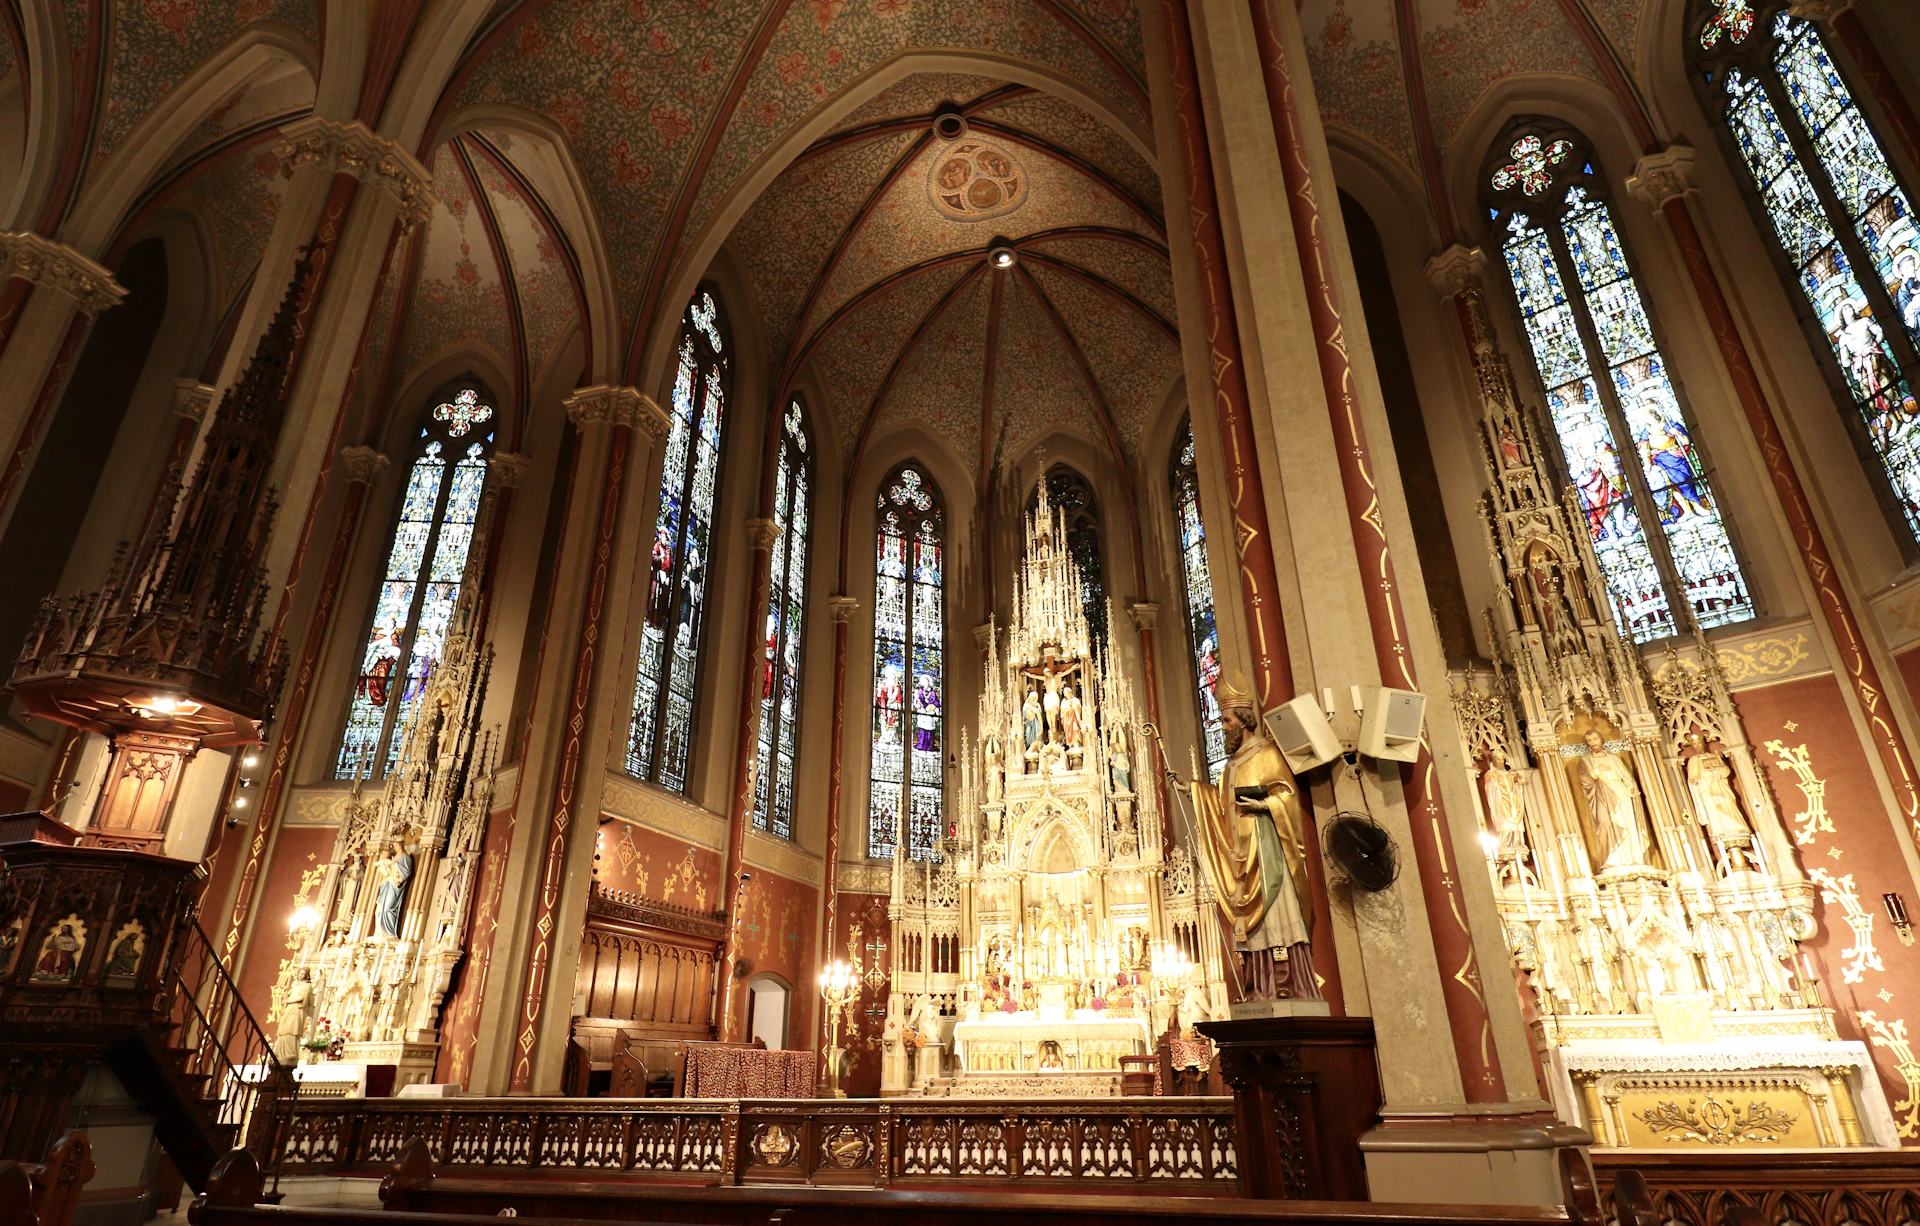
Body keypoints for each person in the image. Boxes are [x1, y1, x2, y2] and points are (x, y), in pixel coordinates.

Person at [1183, 671, 1318, 1000]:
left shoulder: (1267, 754)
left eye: (1227, 720)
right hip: (1241, 858)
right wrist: (1192, 791)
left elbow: (1287, 795)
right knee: (1253, 929)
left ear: (1243, 721)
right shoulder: (1229, 766)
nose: (1224, 726)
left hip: (1267, 852)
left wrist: (1264, 804)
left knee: (1278, 916)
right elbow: (1220, 806)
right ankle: (1260, 986)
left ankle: (1288, 984)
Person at [1577, 728, 1649, 871]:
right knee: (1604, 823)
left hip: (1621, 792)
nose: (1593, 743)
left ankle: (1633, 857)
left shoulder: (1614, 758)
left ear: (1601, 739)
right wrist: (1597, 772)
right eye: (1589, 741)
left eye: (1595, 739)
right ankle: (1612, 858)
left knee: (1629, 825)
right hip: (1601, 794)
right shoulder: (1585, 760)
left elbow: (1626, 777)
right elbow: (1584, 780)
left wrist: (1632, 787)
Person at [375, 840, 415, 939]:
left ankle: (389, 933)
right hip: (387, 884)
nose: (395, 847)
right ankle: (380, 932)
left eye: (396, 845)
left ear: (401, 845)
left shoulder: (405, 858)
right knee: (381, 908)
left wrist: (397, 875)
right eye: (394, 846)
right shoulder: (393, 857)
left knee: (389, 907)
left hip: (395, 885)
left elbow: (406, 872)